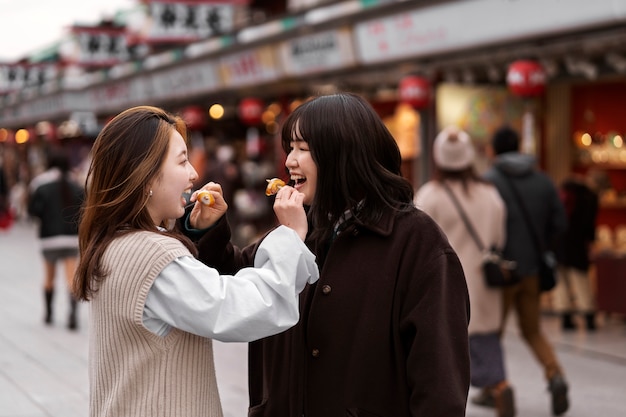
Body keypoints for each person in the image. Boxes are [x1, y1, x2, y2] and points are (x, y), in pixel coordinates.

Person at [193, 93, 471, 416]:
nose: (289, 162)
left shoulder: (417, 242)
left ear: (342, 154)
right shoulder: (301, 226)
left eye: (302, 149)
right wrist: (209, 230)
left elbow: (439, 383)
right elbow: (240, 278)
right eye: (290, 148)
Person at [72, 105, 319, 417]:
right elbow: (244, 308)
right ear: (145, 175)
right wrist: (291, 235)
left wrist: (195, 229)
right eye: (182, 161)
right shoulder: (150, 255)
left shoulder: (118, 242)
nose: (193, 174)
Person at [415, 126, 515, 417]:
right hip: (481, 280)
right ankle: (499, 384)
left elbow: (417, 241)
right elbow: (499, 238)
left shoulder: (430, 195)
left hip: (443, 280)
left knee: (444, 347)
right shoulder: (490, 193)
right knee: (484, 339)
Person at [483, 126, 569, 416]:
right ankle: (555, 375)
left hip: (502, 272)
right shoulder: (543, 181)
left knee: (492, 332)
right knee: (532, 330)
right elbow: (560, 224)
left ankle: (496, 387)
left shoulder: (489, 182)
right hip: (532, 270)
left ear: (494, 150)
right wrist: (540, 247)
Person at [28, 147, 84, 330]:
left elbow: (33, 211)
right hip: (70, 239)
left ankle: (49, 313)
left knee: (49, 277)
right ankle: (72, 315)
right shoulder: (76, 185)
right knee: (70, 277)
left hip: (49, 239)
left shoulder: (40, 185)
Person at [553, 172, 599, 331]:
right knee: (581, 280)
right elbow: (590, 225)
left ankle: (565, 317)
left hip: (559, 244)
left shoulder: (559, 195)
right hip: (578, 244)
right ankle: (589, 317)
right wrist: (591, 243)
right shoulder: (589, 197)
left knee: (561, 282)